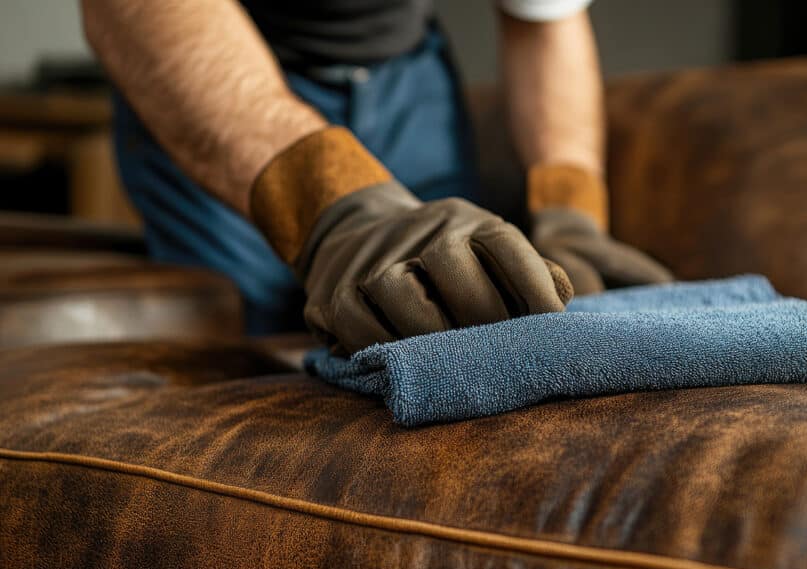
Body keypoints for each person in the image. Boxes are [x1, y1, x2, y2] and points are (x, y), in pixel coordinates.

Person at [81, 0, 672, 355]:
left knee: (450, 326)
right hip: (221, 69)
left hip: (406, 81)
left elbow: (543, 20)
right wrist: (330, 202)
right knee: (260, 354)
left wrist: (571, 211)